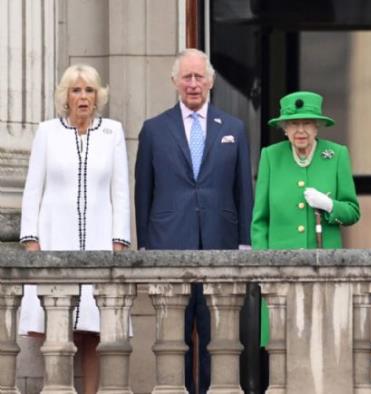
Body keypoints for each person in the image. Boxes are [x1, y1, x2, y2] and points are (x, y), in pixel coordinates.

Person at [134, 48, 253, 394]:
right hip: (170, 243)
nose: (193, 83)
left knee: (218, 335)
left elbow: (242, 189)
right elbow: (144, 191)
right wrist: (144, 246)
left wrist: (244, 243)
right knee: (175, 337)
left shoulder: (234, 128)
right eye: (186, 77)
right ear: (174, 81)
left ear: (211, 81)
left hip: (220, 243)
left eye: (199, 76)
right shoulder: (154, 130)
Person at [19, 64, 131, 394]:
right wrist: (30, 240)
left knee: (93, 328)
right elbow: (32, 189)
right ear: (65, 96)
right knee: (57, 324)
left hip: (98, 238)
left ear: (98, 96)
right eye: (76, 90)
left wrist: (119, 242)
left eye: (89, 90)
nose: (83, 97)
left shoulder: (112, 132)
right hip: (55, 237)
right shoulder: (47, 132)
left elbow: (120, 190)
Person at [251, 90, 360, 393]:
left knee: (324, 345)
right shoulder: (271, 157)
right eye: (293, 124)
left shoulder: (336, 155)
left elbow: (352, 211)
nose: (300, 131)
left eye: (307, 124)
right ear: (284, 128)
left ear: (318, 126)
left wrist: (329, 207)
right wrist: (264, 266)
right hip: (280, 273)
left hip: (323, 271)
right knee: (281, 347)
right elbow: (260, 220)